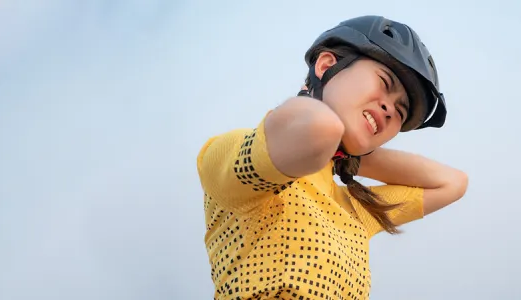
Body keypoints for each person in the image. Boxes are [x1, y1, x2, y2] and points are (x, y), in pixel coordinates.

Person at [196, 15, 468, 300]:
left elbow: (453, 183)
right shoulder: (231, 156)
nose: (390, 109)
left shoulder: (357, 211)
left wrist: (354, 153)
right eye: (385, 82)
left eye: (400, 112)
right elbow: (315, 129)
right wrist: (343, 140)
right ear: (326, 65)